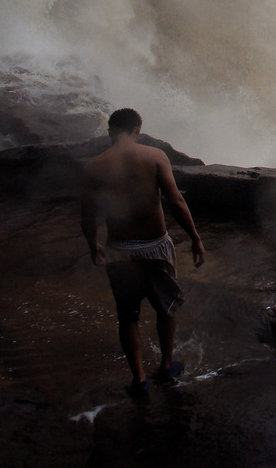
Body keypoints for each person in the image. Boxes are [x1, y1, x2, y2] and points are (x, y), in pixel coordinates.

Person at [80, 108, 205, 400]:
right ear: (138, 129)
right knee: (166, 307)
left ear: (110, 131)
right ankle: (166, 365)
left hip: (120, 249)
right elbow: (175, 201)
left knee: (127, 317)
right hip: (155, 246)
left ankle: (139, 380)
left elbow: (87, 215)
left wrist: (92, 243)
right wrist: (195, 238)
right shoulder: (154, 157)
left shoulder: (95, 167)